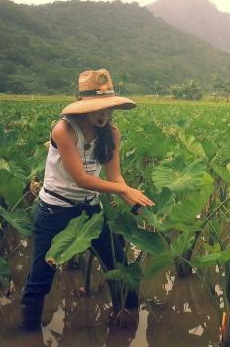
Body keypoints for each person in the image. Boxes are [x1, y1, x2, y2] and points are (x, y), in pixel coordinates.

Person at [19, 69, 154, 330]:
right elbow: (81, 179)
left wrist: (138, 205)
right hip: (54, 210)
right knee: (41, 275)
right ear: (82, 106)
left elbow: (115, 176)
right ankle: (28, 332)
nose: (104, 115)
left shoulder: (112, 133)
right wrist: (124, 192)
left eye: (108, 109)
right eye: (98, 109)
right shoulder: (64, 130)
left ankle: (129, 318)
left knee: (118, 264)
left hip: (90, 209)